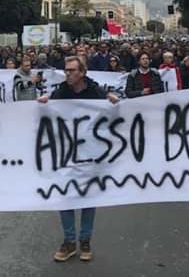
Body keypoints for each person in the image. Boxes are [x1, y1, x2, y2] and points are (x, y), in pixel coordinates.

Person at [39, 56, 120, 263]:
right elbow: (48, 110)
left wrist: (113, 101)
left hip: (90, 154)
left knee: (87, 198)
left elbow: (113, 112)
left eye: (72, 70)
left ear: (82, 73)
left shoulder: (95, 91)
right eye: (66, 70)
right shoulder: (61, 91)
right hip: (66, 153)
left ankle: (85, 240)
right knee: (65, 196)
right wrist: (44, 103)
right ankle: (69, 241)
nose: (67, 74)